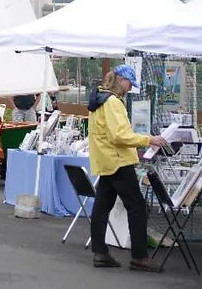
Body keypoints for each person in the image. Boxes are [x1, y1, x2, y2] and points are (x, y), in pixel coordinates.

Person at [87, 64, 168, 272]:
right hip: (118, 161)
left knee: (102, 206)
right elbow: (119, 135)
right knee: (137, 207)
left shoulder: (99, 99)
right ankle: (139, 256)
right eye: (129, 84)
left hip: (106, 160)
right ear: (121, 80)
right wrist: (148, 139)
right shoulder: (113, 102)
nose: (130, 89)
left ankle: (100, 252)